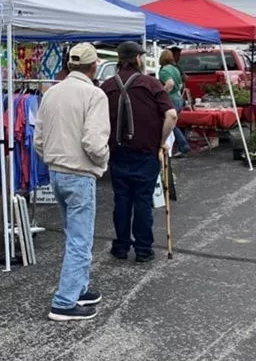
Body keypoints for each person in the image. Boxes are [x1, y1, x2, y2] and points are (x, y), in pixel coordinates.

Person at [34, 43, 110, 322]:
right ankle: (64, 301)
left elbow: (38, 139)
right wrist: (102, 160)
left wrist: (53, 158)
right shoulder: (94, 95)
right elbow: (94, 141)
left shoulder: (51, 92)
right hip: (80, 172)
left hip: (56, 170)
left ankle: (79, 287)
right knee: (80, 238)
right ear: (93, 67)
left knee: (74, 234)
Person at [101, 41, 177, 263]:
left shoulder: (106, 86)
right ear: (137, 59)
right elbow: (171, 115)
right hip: (145, 151)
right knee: (142, 201)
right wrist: (161, 142)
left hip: (117, 151)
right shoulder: (150, 84)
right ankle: (143, 248)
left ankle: (121, 246)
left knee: (122, 200)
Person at [158, 50, 189, 156]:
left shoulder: (164, 70)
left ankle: (183, 145)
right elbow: (180, 84)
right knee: (174, 124)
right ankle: (181, 145)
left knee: (170, 124)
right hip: (178, 98)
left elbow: (170, 83)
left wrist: (161, 93)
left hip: (170, 98)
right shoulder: (176, 68)